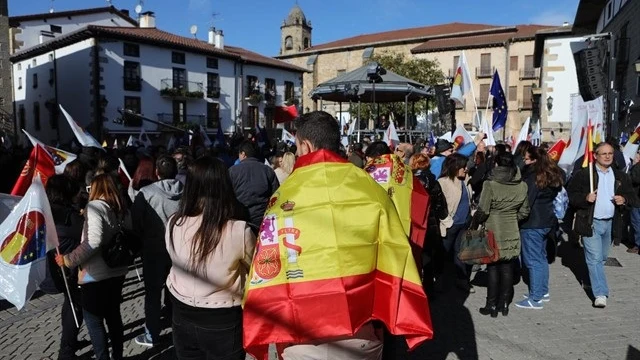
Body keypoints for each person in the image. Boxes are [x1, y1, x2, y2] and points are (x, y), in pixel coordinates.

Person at [243, 111, 432, 360]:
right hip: (361, 331)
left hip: (302, 335)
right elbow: (395, 250)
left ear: (306, 145)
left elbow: (267, 262)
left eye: (297, 147)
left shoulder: (285, 196)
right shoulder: (370, 187)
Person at [166, 156, 256, 360]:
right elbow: (255, 269)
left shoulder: (173, 223)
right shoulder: (238, 230)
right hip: (222, 318)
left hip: (182, 311)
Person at [55, 174, 130, 360]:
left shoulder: (95, 207)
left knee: (94, 320)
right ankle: (118, 356)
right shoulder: (122, 208)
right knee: (114, 316)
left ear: (96, 189)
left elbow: (93, 241)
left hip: (95, 274)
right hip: (118, 270)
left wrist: (69, 259)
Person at [567, 142, 637, 307]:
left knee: (602, 257)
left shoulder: (621, 176)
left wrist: (624, 199)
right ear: (595, 156)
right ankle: (600, 293)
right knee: (594, 259)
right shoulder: (585, 175)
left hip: (611, 223)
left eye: (610, 153)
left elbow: (633, 198)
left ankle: (593, 279)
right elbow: (571, 196)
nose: (607, 156)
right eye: (603, 153)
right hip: (590, 223)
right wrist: (586, 198)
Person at [132, 156, 184, 347]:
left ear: (157, 173)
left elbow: (136, 223)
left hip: (153, 250)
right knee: (177, 292)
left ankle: (151, 335)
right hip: (179, 250)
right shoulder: (188, 191)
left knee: (152, 295)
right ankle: (177, 329)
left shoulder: (146, 193)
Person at [471, 152, 529, 317]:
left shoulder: (490, 184)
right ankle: (504, 305)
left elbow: (483, 210)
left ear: (496, 164)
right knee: (507, 267)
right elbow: (524, 211)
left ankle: (491, 306)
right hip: (511, 228)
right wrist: (511, 217)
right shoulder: (522, 185)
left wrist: (475, 222)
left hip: (492, 228)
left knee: (492, 267)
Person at [516, 147, 563, 309]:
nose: (524, 161)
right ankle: (542, 291)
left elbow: (526, 200)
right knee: (541, 258)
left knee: (533, 260)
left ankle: (535, 298)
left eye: (527, 159)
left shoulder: (533, 176)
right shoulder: (550, 174)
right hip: (546, 220)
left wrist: (517, 217)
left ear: (535, 160)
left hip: (532, 223)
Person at [46, 175, 85, 360]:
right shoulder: (67, 216)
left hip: (58, 270)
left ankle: (70, 341)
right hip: (68, 270)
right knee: (75, 307)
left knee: (70, 304)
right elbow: (84, 234)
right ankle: (66, 352)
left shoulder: (48, 210)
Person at [410, 153, 448, 296]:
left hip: (413, 223)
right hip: (431, 224)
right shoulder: (434, 182)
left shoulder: (409, 181)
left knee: (414, 256)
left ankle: (414, 288)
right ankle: (429, 289)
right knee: (429, 257)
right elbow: (441, 206)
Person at [437, 153, 475, 293]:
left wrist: (472, 215)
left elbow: (469, 201)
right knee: (443, 254)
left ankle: (462, 280)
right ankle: (438, 283)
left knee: (461, 254)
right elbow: (439, 205)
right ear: (455, 166)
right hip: (450, 225)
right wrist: (447, 221)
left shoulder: (465, 181)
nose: (466, 169)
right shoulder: (443, 182)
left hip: (464, 224)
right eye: (463, 166)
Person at [229, 141, 280, 230]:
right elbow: (277, 196)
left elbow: (227, 196)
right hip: (263, 221)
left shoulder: (232, 171)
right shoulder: (267, 170)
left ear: (243, 154)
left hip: (240, 221)